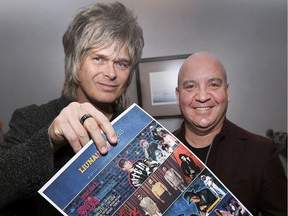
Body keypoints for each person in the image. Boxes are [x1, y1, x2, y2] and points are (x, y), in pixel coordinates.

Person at [0, 2, 144, 215]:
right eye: (99, 59)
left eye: (121, 63)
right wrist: (49, 141)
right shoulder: (32, 118)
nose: (111, 73)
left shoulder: (138, 126)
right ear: (75, 62)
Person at [173, 52, 287, 215]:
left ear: (227, 92)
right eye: (190, 86)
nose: (203, 96)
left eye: (213, 85)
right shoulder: (163, 148)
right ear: (178, 96)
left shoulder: (261, 153)